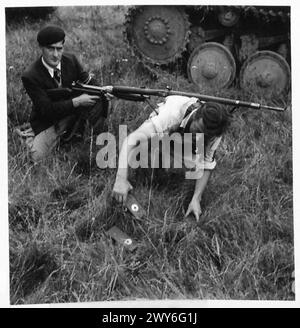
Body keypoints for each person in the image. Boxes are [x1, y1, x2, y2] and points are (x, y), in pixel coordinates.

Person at [112, 95, 230, 221]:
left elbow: (206, 165)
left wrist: (196, 199)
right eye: (198, 130)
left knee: (184, 167)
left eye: (205, 135)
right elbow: (132, 139)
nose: (199, 137)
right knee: (138, 153)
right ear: (196, 116)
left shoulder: (215, 132)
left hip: (182, 141)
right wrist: (120, 179)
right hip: (165, 130)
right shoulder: (172, 114)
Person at [21, 25, 108, 162]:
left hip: (73, 113)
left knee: (101, 100)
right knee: (36, 157)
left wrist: (105, 91)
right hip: (48, 120)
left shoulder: (71, 60)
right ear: (41, 48)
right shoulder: (30, 76)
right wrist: (77, 101)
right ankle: (29, 135)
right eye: (50, 49)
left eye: (59, 48)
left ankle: (79, 137)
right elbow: (46, 110)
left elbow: (89, 81)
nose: (56, 55)